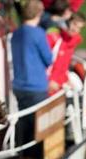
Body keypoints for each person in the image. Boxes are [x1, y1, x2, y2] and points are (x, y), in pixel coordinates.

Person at [10, 0, 52, 144]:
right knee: (38, 126)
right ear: (39, 13)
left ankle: (21, 157)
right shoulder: (38, 34)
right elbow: (48, 59)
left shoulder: (16, 33)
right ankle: (36, 158)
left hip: (19, 86)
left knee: (24, 122)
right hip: (36, 86)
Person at [47, 12, 86, 94]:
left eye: (79, 28)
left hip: (60, 83)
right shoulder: (54, 37)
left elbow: (63, 65)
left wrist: (65, 79)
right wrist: (51, 80)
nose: (75, 29)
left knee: (83, 88)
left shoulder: (72, 42)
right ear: (68, 22)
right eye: (74, 24)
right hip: (49, 83)